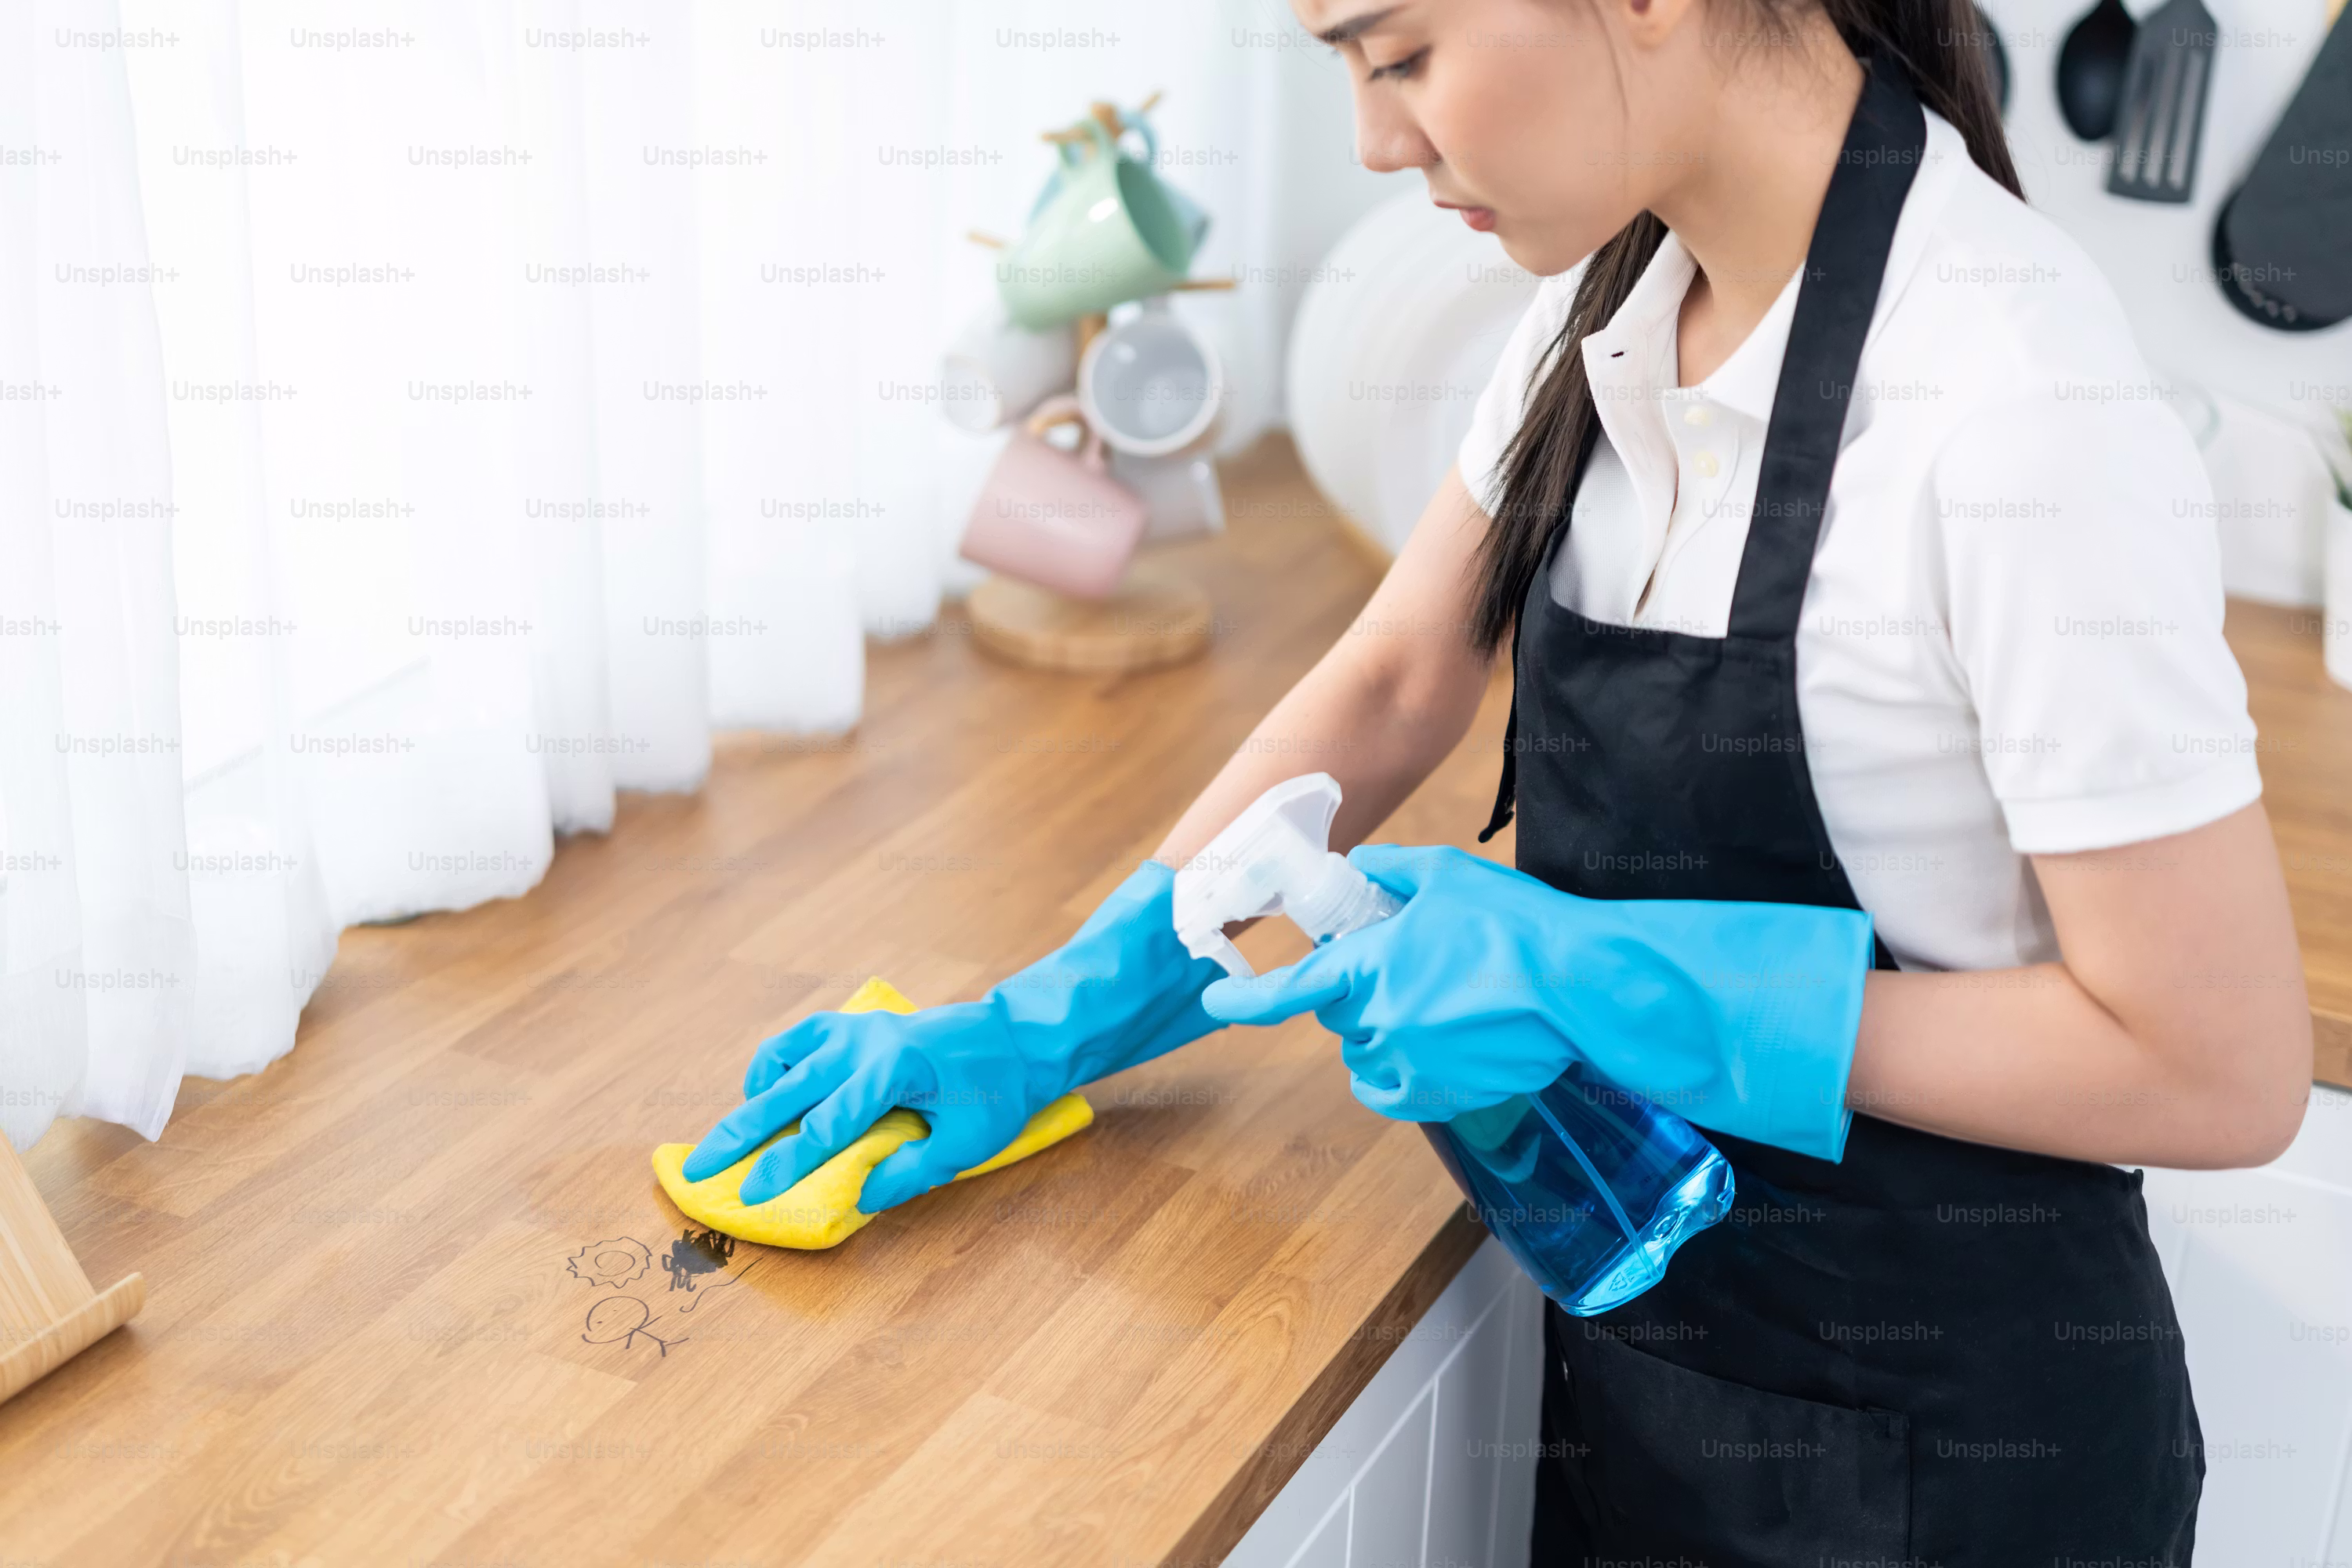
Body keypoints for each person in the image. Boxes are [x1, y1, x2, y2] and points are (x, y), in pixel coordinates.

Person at [688, 0, 2314, 1555]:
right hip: (1651, 1383)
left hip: (1950, 1463)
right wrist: (1048, 1022)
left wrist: (1601, 973)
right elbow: (1397, 680)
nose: (1378, 139)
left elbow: (2212, 1065)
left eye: (1398, 52)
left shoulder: (2019, 409)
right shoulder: (1606, 298)